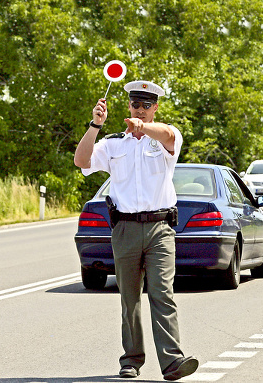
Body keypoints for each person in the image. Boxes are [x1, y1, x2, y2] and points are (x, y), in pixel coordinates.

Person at [73, 80, 198, 381]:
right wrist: (94, 125)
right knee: (129, 298)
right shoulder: (114, 144)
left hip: (159, 229)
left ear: (155, 108)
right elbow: (81, 161)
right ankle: (131, 360)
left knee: (162, 293)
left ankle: (172, 362)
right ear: (128, 105)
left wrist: (143, 127)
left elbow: (168, 134)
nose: (139, 110)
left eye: (146, 105)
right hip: (126, 229)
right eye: (135, 104)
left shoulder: (165, 137)